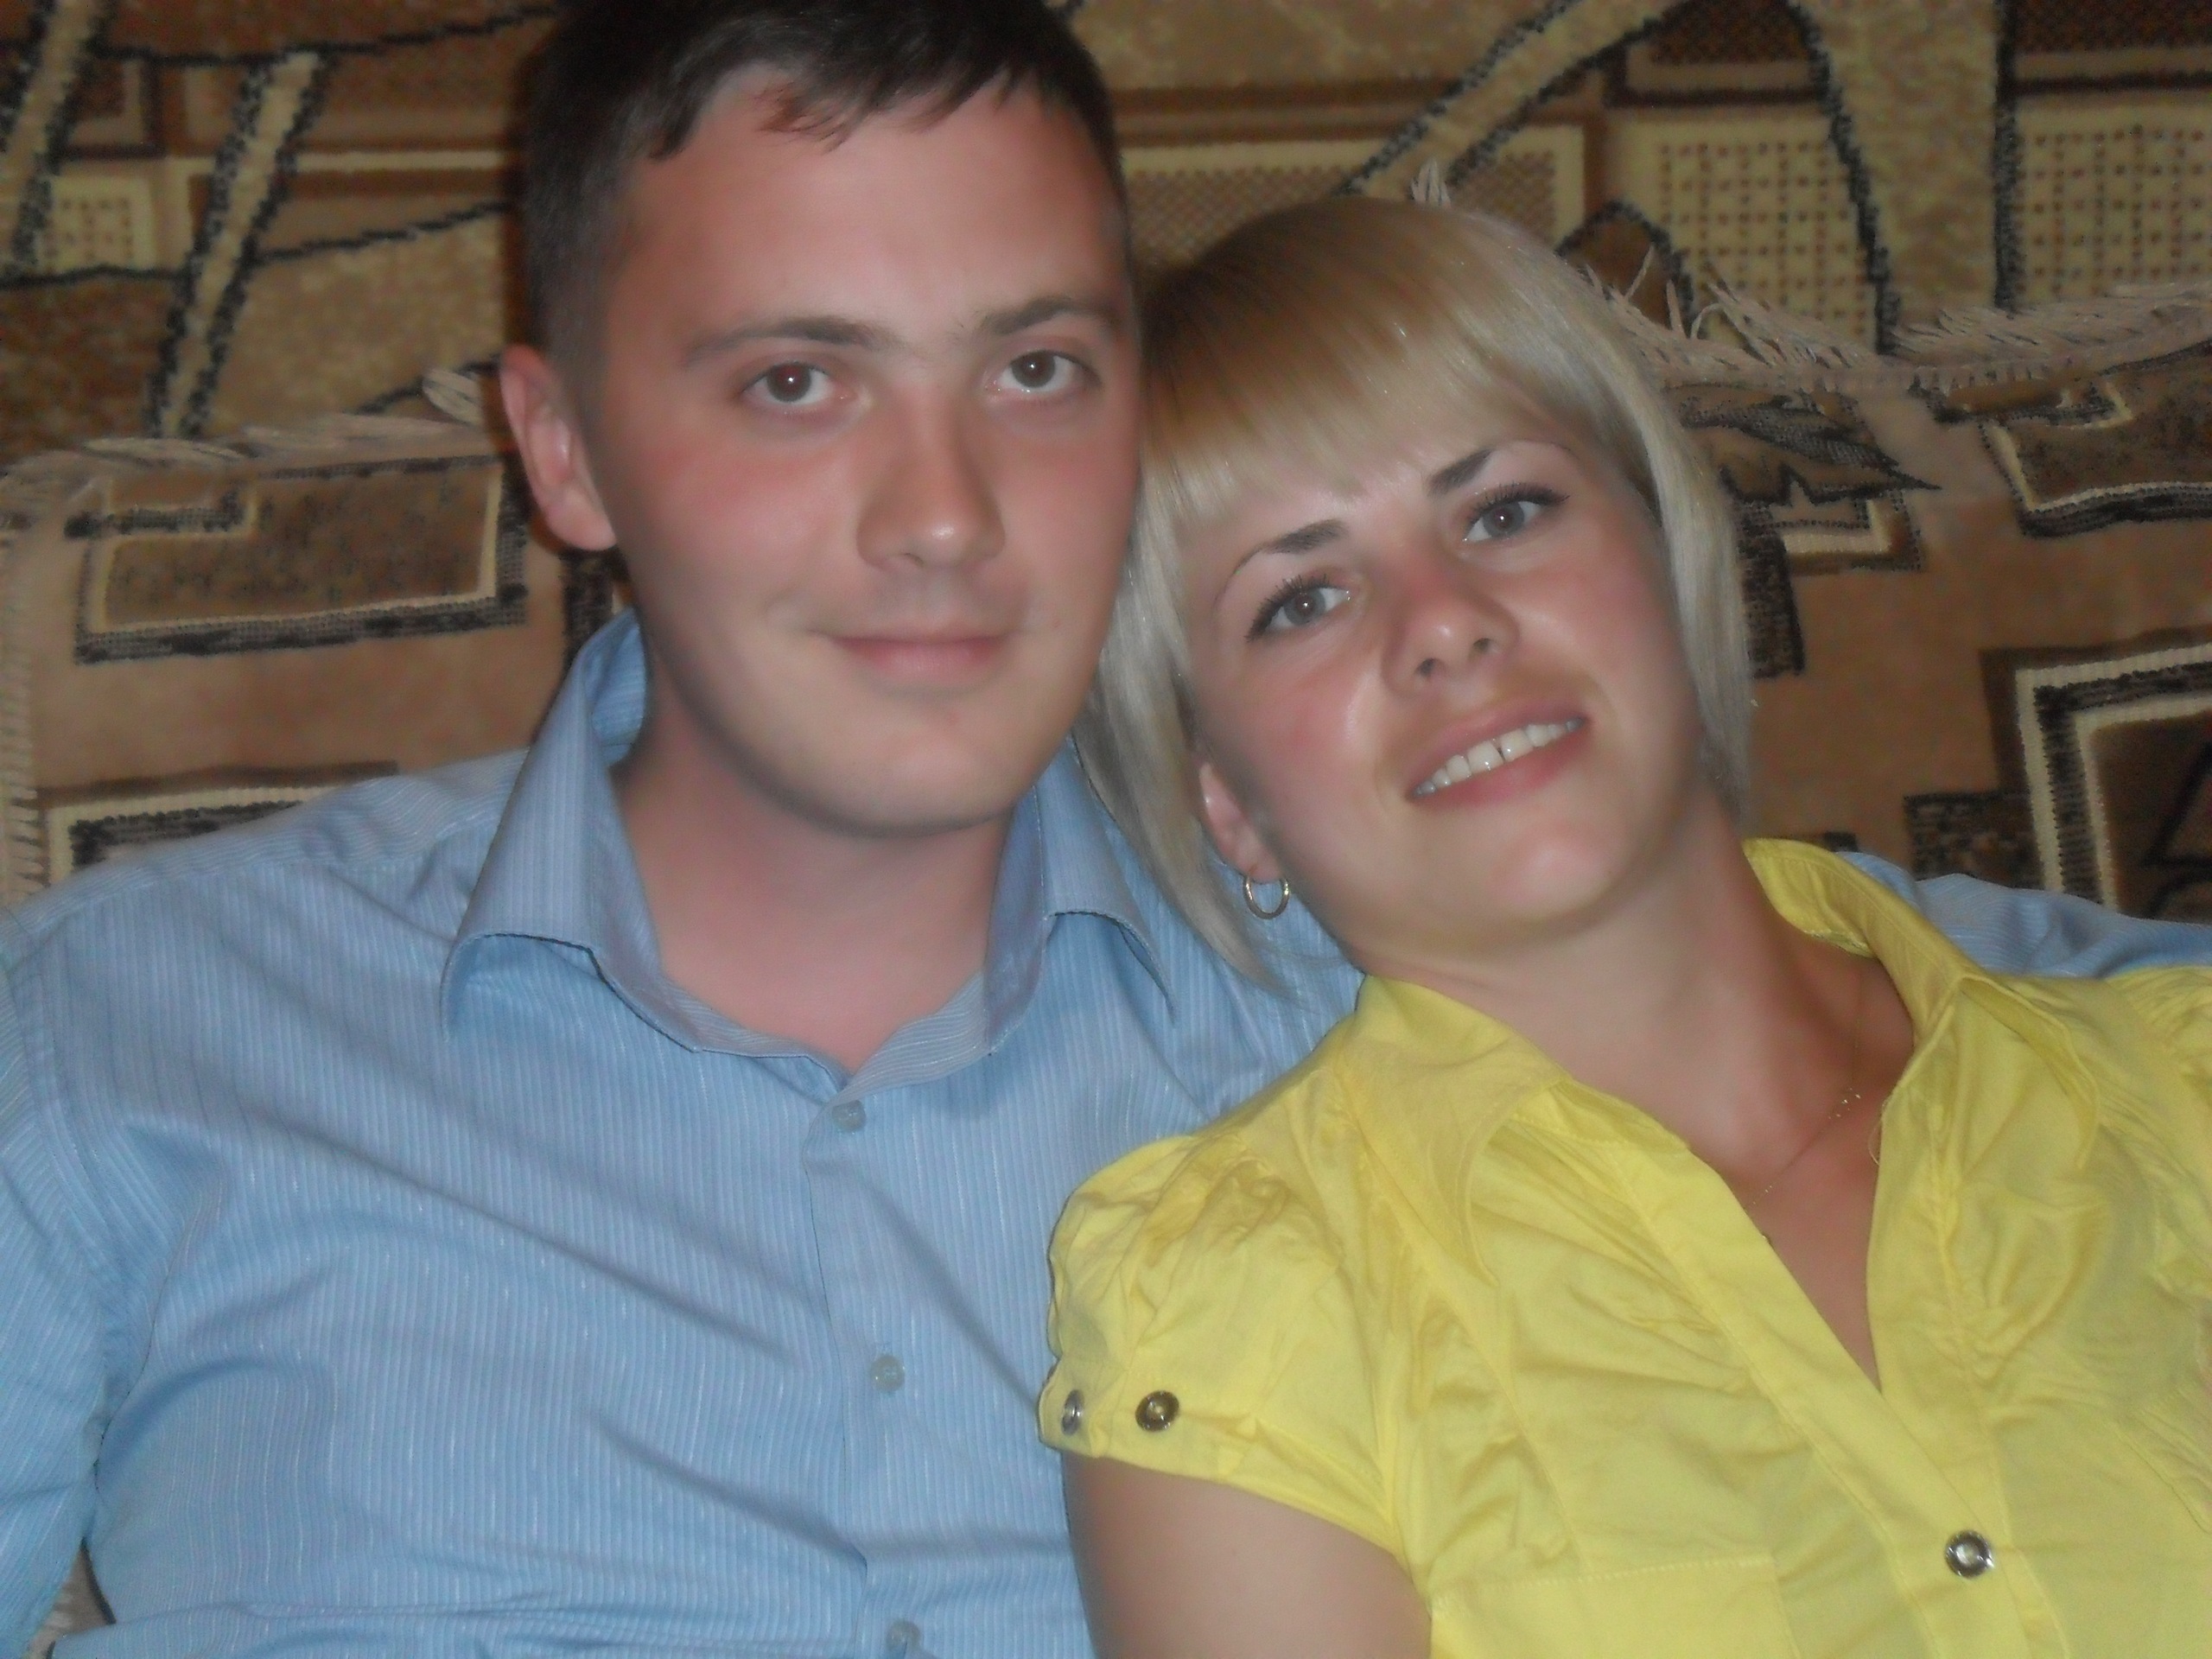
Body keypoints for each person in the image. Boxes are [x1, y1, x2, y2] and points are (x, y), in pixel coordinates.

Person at [0, 4, 2202, 1656]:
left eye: (1034, 369)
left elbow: (1943, 1021)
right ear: (561, 450)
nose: (944, 515)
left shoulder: (1387, 925)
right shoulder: (128, 1024)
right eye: (796, 382)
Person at [1039, 195, 2212, 1659]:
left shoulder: (2179, 1080)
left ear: (1669, 550)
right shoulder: (1241, 1317)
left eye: (1503, 511)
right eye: (1303, 598)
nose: (1444, 621)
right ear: (1228, 803)